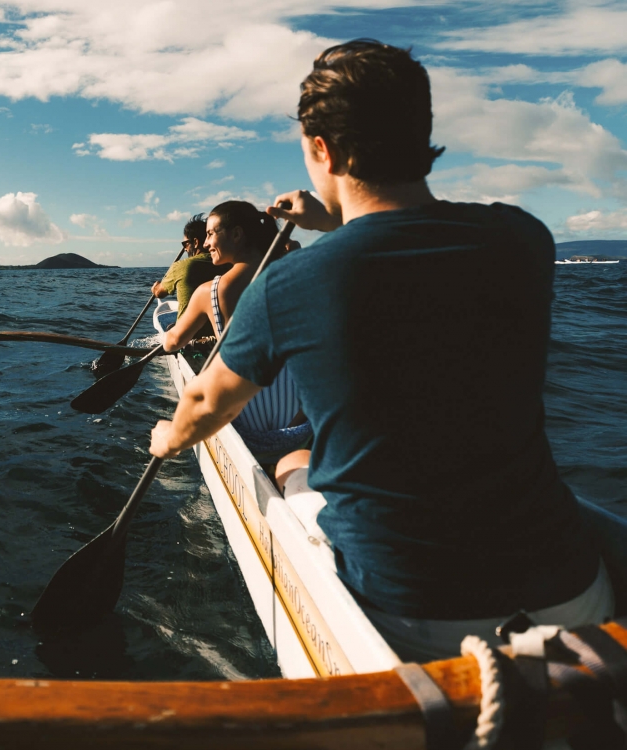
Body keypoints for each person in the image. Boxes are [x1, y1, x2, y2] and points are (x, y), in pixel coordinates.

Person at [149, 39, 611, 662]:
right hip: (575, 592)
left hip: (417, 612)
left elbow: (205, 405)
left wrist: (166, 440)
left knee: (292, 462)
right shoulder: (522, 240)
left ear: (324, 150)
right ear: (422, 135)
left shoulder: (289, 285)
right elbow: (410, 256)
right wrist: (338, 221)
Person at [162, 200, 311, 458]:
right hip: (300, 425)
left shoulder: (209, 292)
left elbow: (172, 343)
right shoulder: (296, 275)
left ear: (237, 234)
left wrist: (170, 335)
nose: (206, 244)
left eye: (210, 234)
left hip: (249, 431)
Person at [152, 214, 220, 337]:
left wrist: (155, 288)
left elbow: (159, 293)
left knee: (172, 327)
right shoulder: (227, 263)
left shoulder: (181, 266)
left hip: (189, 337)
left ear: (195, 242)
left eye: (185, 244)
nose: (185, 249)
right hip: (221, 335)